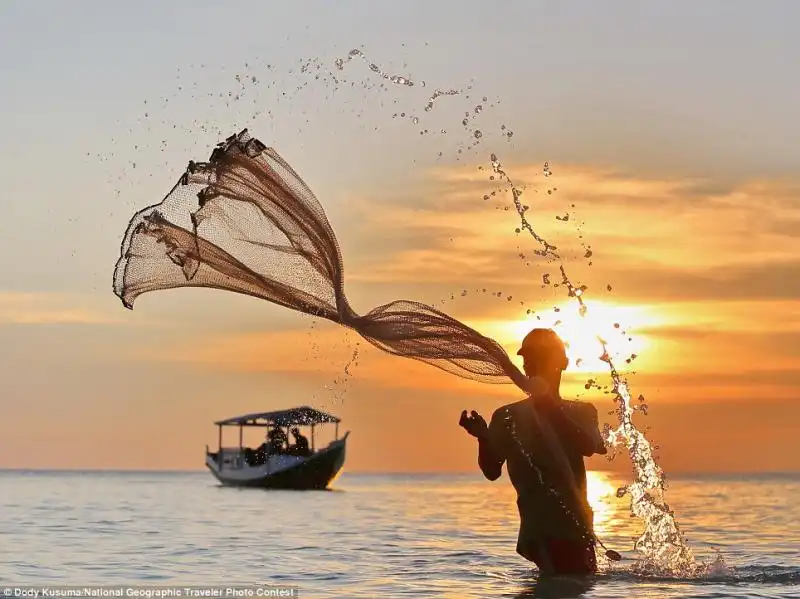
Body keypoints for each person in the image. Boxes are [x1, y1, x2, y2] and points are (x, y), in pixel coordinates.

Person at [459, 328, 607, 576]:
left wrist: (551, 410)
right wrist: (483, 438)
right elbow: (492, 470)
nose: (533, 365)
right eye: (528, 359)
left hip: (575, 528)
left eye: (541, 357)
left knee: (572, 583)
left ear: (564, 363)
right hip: (538, 530)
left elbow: (589, 446)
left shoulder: (581, 411)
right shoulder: (507, 416)